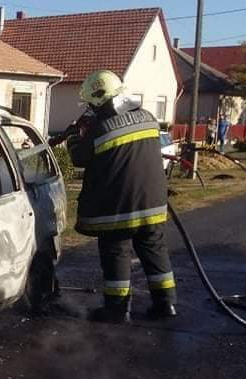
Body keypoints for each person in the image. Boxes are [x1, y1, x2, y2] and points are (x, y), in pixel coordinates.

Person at [68, 70, 177, 323]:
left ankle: (117, 310)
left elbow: (79, 157)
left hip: (120, 206)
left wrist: (74, 136)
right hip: (153, 202)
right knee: (154, 251)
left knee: (116, 252)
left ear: (99, 101)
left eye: (91, 105)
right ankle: (166, 304)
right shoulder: (148, 118)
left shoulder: (102, 128)